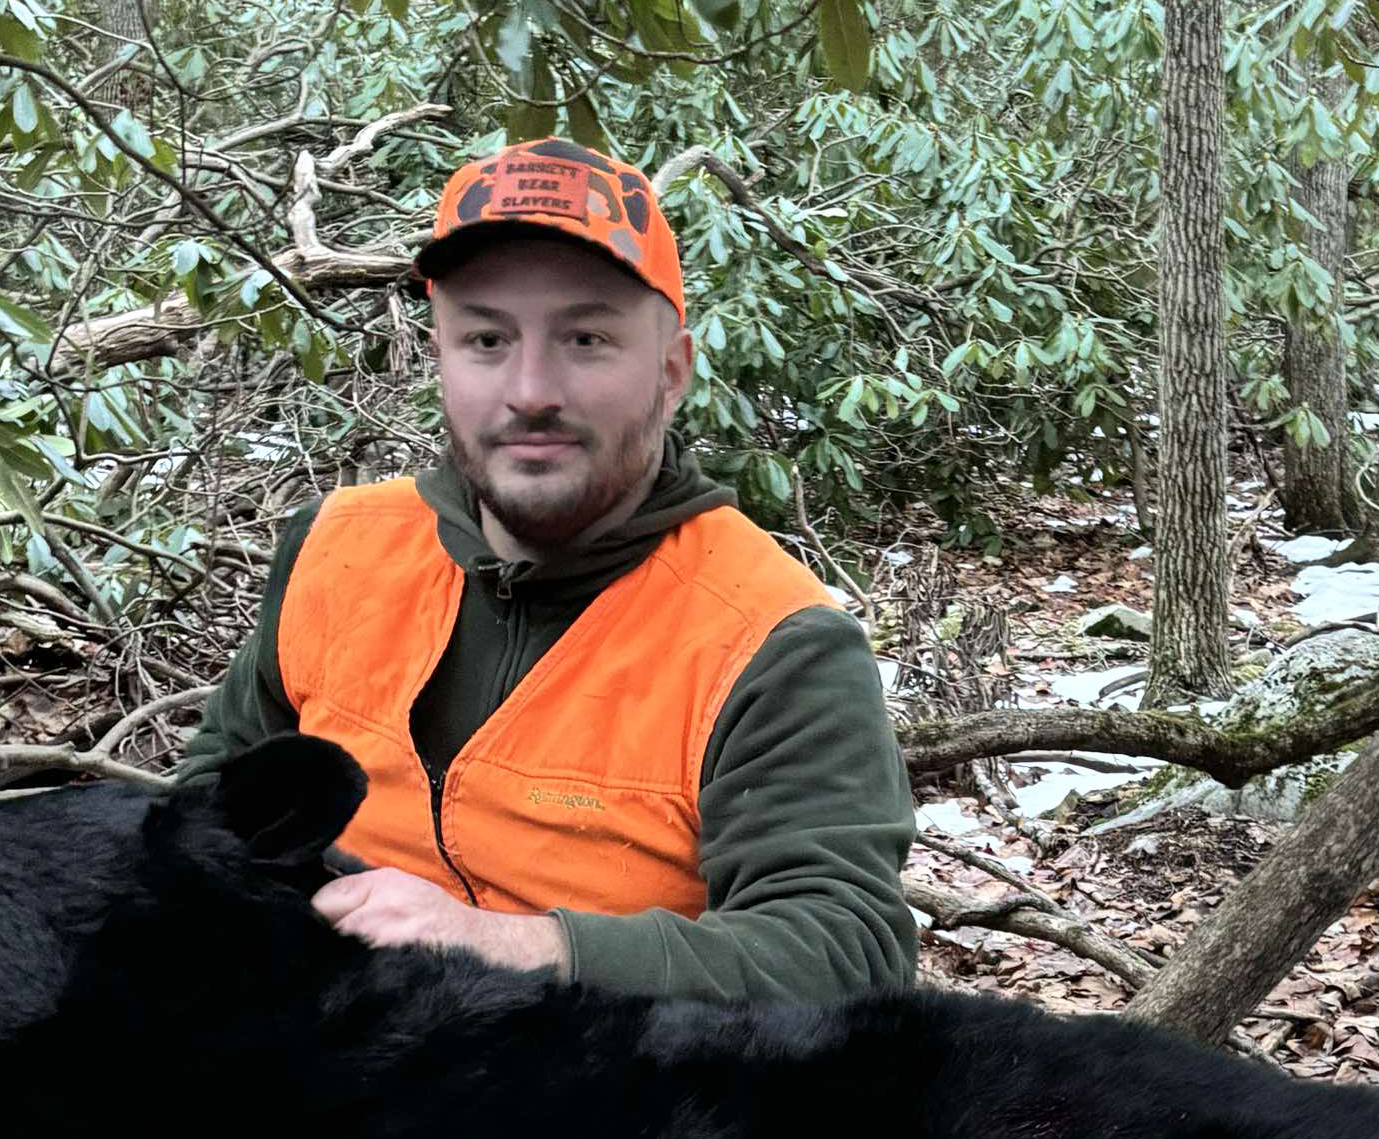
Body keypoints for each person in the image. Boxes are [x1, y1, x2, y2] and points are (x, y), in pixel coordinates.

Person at [182, 138, 915, 1005]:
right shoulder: (335, 548)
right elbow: (210, 811)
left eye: (587, 337)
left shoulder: (773, 638)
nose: (530, 388)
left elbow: (846, 951)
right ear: (440, 357)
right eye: (486, 337)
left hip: (623, 1105)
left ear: (671, 370)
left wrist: (509, 944)